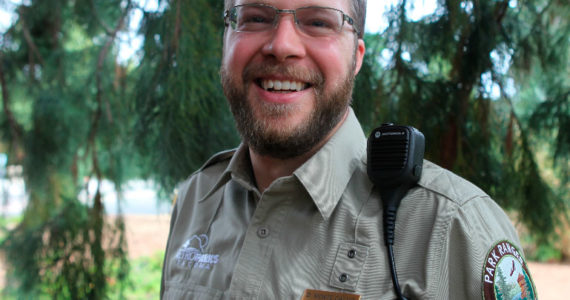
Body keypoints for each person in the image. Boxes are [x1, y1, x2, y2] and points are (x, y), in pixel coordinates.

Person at [160, 0, 537, 299]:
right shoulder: (197, 200)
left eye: (319, 21)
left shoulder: (453, 227)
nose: (281, 46)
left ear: (356, 56)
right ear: (226, 41)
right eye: (255, 17)